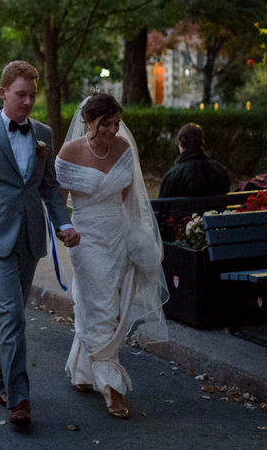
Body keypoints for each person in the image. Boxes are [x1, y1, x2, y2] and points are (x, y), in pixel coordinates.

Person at [0, 60, 79, 428]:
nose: (27, 102)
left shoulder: (44, 134)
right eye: (21, 94)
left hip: (30, 236)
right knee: (11, 315)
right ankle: (19, 397)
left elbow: (49, 187)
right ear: (3, 92)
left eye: (32, 96)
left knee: (13, 316)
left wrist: (64, 223)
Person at [56, 93, 168, 419]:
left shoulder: (123, 148)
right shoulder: (70, 152)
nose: (112, 130)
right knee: (102, 306)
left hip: (117, 235)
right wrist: (63, 230)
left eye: (117, 123)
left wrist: (137, 240)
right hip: (85, 238)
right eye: (106, 123)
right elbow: (56, 200)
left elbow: (128, 199)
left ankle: (82, 371)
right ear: (88, 121)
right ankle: (112, 386)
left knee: (101, 306)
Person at [159, 123, 231, 197]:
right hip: (214, 208)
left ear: (181, 143)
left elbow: (162, 205)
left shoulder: (173, 175)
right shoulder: (221, 171)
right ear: (201, 142)